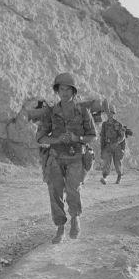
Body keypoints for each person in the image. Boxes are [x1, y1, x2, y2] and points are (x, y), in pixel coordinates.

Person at [36, 73, 97, 244]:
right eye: (61, 89)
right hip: (55, 157)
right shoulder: (50, 112)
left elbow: (93, 136)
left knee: (73, 189)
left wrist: (77, 139)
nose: (64, 92)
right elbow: (40, 138)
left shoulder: (83, 111)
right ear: (57, 90)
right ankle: (60, 227)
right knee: (54, 192)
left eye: (68, 89)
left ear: (73, 91)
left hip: (76, 156)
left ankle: (75, 218)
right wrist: (57, 140)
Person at [100, 105, 126, 185]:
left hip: (116, 146)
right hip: (108, 145)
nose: (109, 114)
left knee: (117, 163)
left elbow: (122, 136)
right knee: (106, 162)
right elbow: (102, 137)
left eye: (111, 113)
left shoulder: (118, 124)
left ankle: (119, 176)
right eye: (108, 113)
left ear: (113, 113)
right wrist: (102, 148)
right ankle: (105, 177)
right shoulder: (104, 124)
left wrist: (117, 143)